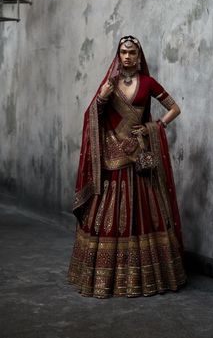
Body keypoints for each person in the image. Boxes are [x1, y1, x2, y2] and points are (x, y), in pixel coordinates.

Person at [68, 35, 187, 298]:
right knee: (109, 212)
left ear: (139, 55)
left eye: (132, 52)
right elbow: (92, 117)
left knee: (145, 211)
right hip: (112, 158)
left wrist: (153, 127)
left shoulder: (148, 82)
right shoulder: (110, 84)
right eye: (123, 52)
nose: (128, 57)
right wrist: (101, 100)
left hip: (139, 157)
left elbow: (174, 108)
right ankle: (104, 277)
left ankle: (148, 276)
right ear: (118, 55)